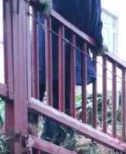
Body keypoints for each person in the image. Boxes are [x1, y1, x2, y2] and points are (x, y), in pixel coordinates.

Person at [38, 0, 105, 144]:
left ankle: (53, 134)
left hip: (55, 32)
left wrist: (98, 39)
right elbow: (95, 14)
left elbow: (95, 13)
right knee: (55, 87)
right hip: (62, 35)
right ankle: (54, 135)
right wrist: (98, 39)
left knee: (42, 80)